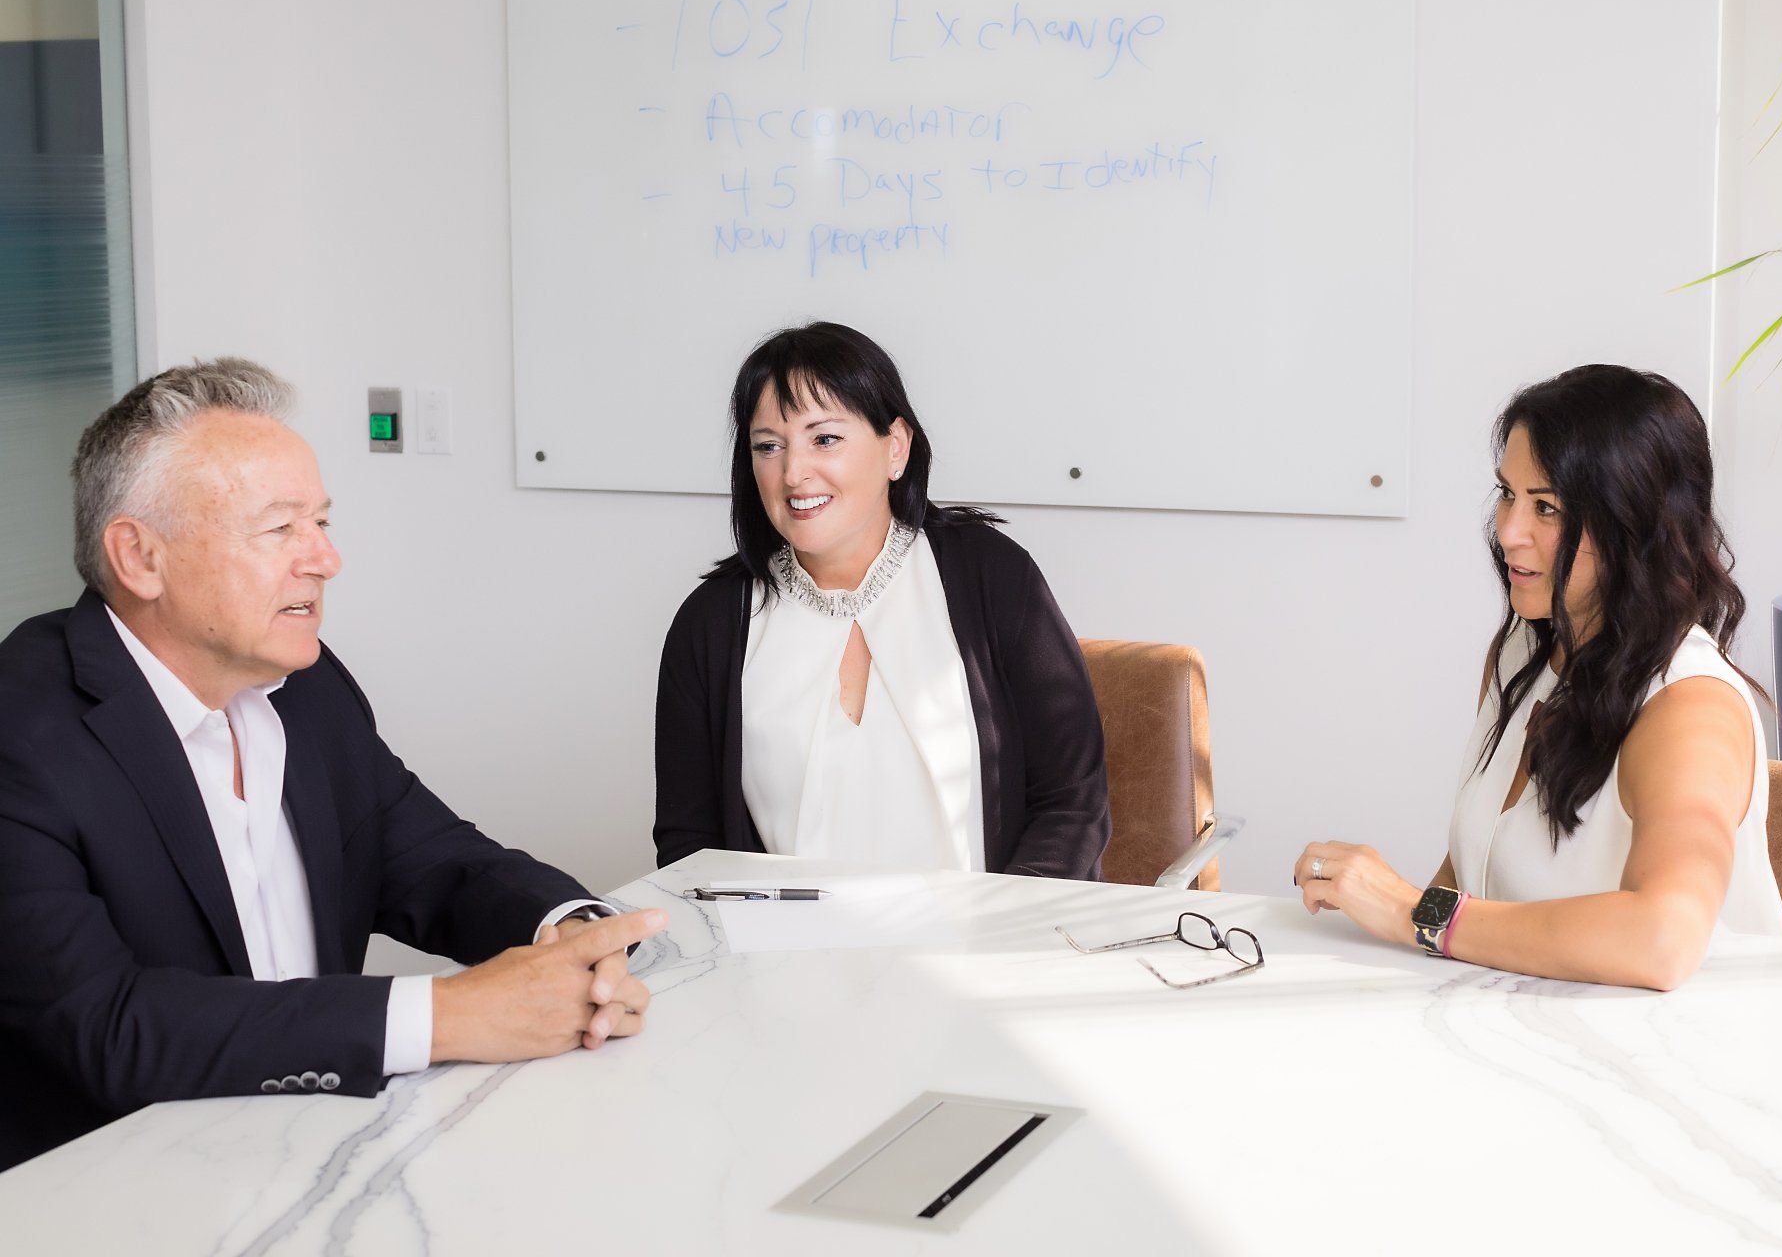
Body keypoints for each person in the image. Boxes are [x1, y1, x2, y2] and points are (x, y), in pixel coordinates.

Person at [0, 358, 667, 1171]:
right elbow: (107, 1025)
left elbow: (435, 861)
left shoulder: (307, 687)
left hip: (315, 1162)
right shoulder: (23, 731)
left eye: (322, 523)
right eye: (280, 529)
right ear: (140, 558)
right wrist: (447, 1015)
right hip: (102, 1190)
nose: (324, 559)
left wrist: (574, 935)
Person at [1292, 364, 1782, 989]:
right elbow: (1480, 871)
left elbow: (1663, 939)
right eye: (1507, 494)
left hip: (1680, 1064)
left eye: (1547, 507)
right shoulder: (1527, 652)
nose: (1508, 533)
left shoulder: (1689, 708)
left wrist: (1410, 911)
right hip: (1527, 1038)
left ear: (1634, 526)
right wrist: (1380, 913)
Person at [654, 322, 1111, 878]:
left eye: (824, 438)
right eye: (768, 446)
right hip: (784, 957)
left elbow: (1072, 800)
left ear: (895, 447)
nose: (794, 473)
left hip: (986, 944)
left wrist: (1003, 938)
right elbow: (689, 845)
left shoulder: (988, 573)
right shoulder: (712, 623)